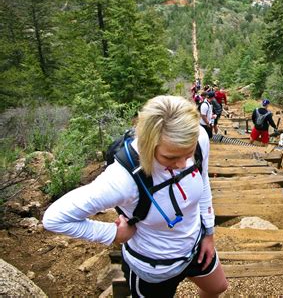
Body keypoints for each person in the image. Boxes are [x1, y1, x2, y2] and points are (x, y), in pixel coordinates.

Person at [43, 96, 228, 297]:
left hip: (195, 248)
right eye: (170, 157)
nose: (183, 164)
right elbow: (55, 218)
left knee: (218, 287)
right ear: (148, 143)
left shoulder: (199, 137)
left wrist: (208, 232)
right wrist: (113, 234)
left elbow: (203, 181)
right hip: (153, 267)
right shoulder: (123, 179)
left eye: (187, 154)